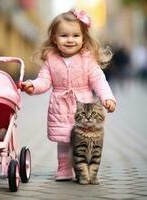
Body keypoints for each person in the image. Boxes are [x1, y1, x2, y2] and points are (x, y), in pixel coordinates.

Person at [21, 10, 116, 181]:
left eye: (75, 35)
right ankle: (64, 168)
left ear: (83, 38)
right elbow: (44, 80)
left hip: (83, 106)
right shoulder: (51, 59)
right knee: (64, 139)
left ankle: (85, 168)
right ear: (55, 39)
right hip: (61, 105)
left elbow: (99, 81)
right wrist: (33, 86)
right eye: (64, 35)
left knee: (84, 139)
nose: (70, 40)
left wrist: (107, 98)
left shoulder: (88, 59)